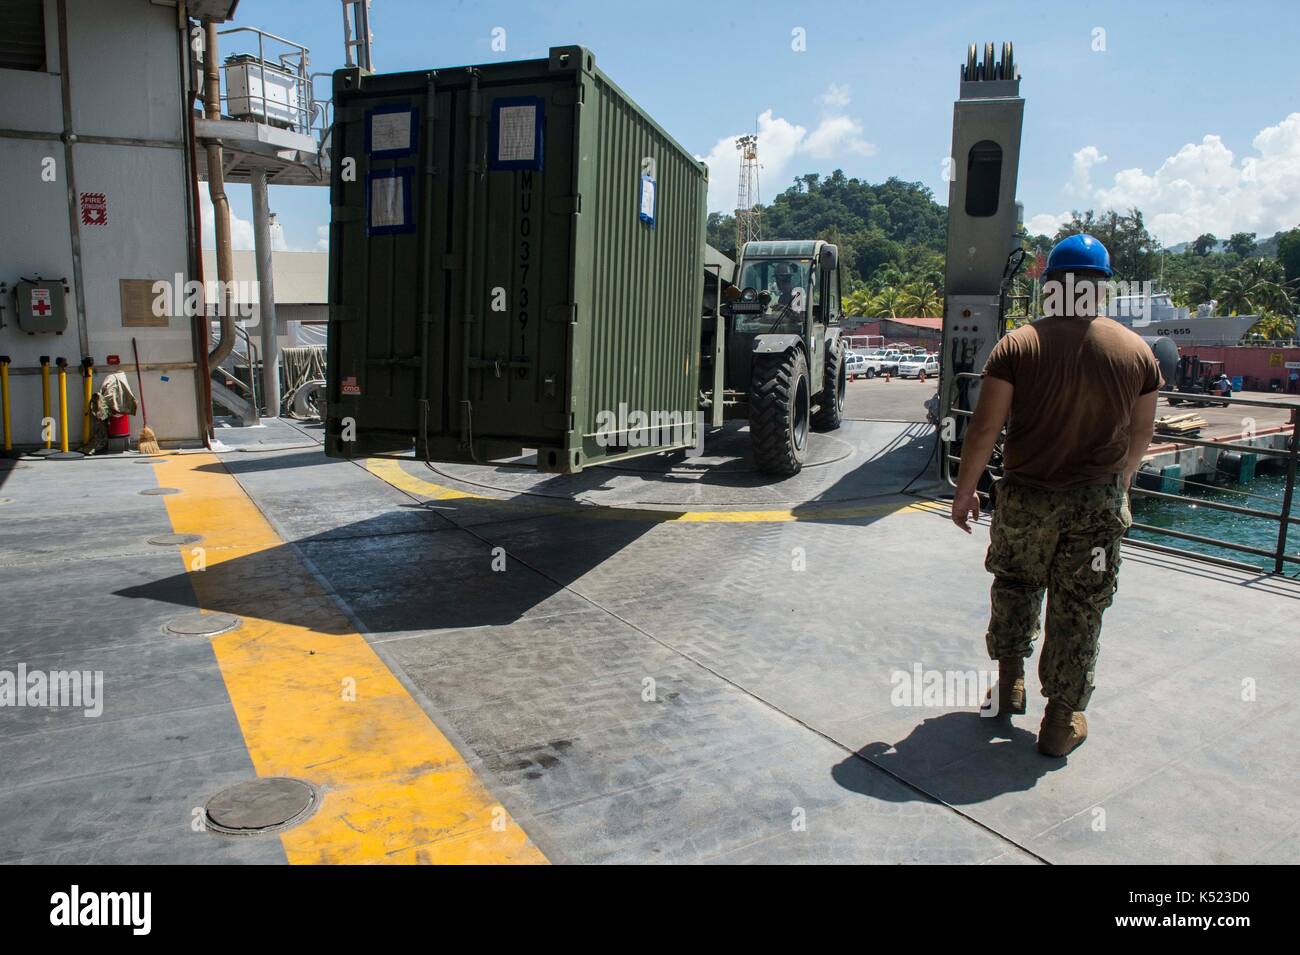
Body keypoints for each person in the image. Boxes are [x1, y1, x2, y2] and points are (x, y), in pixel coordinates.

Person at [950, 233, 1160, 757]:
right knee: (1080, 606)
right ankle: (1060, 721)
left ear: (1051, 288)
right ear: (1101, 288)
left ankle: (1009, 683)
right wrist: (1122, 484)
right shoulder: (1137, 352)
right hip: (1097, 504)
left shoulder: (1020, 345)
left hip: (1026, 499)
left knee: (1016, 586)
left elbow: (983, 430)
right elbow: (1140, 434)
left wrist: (966, 490)